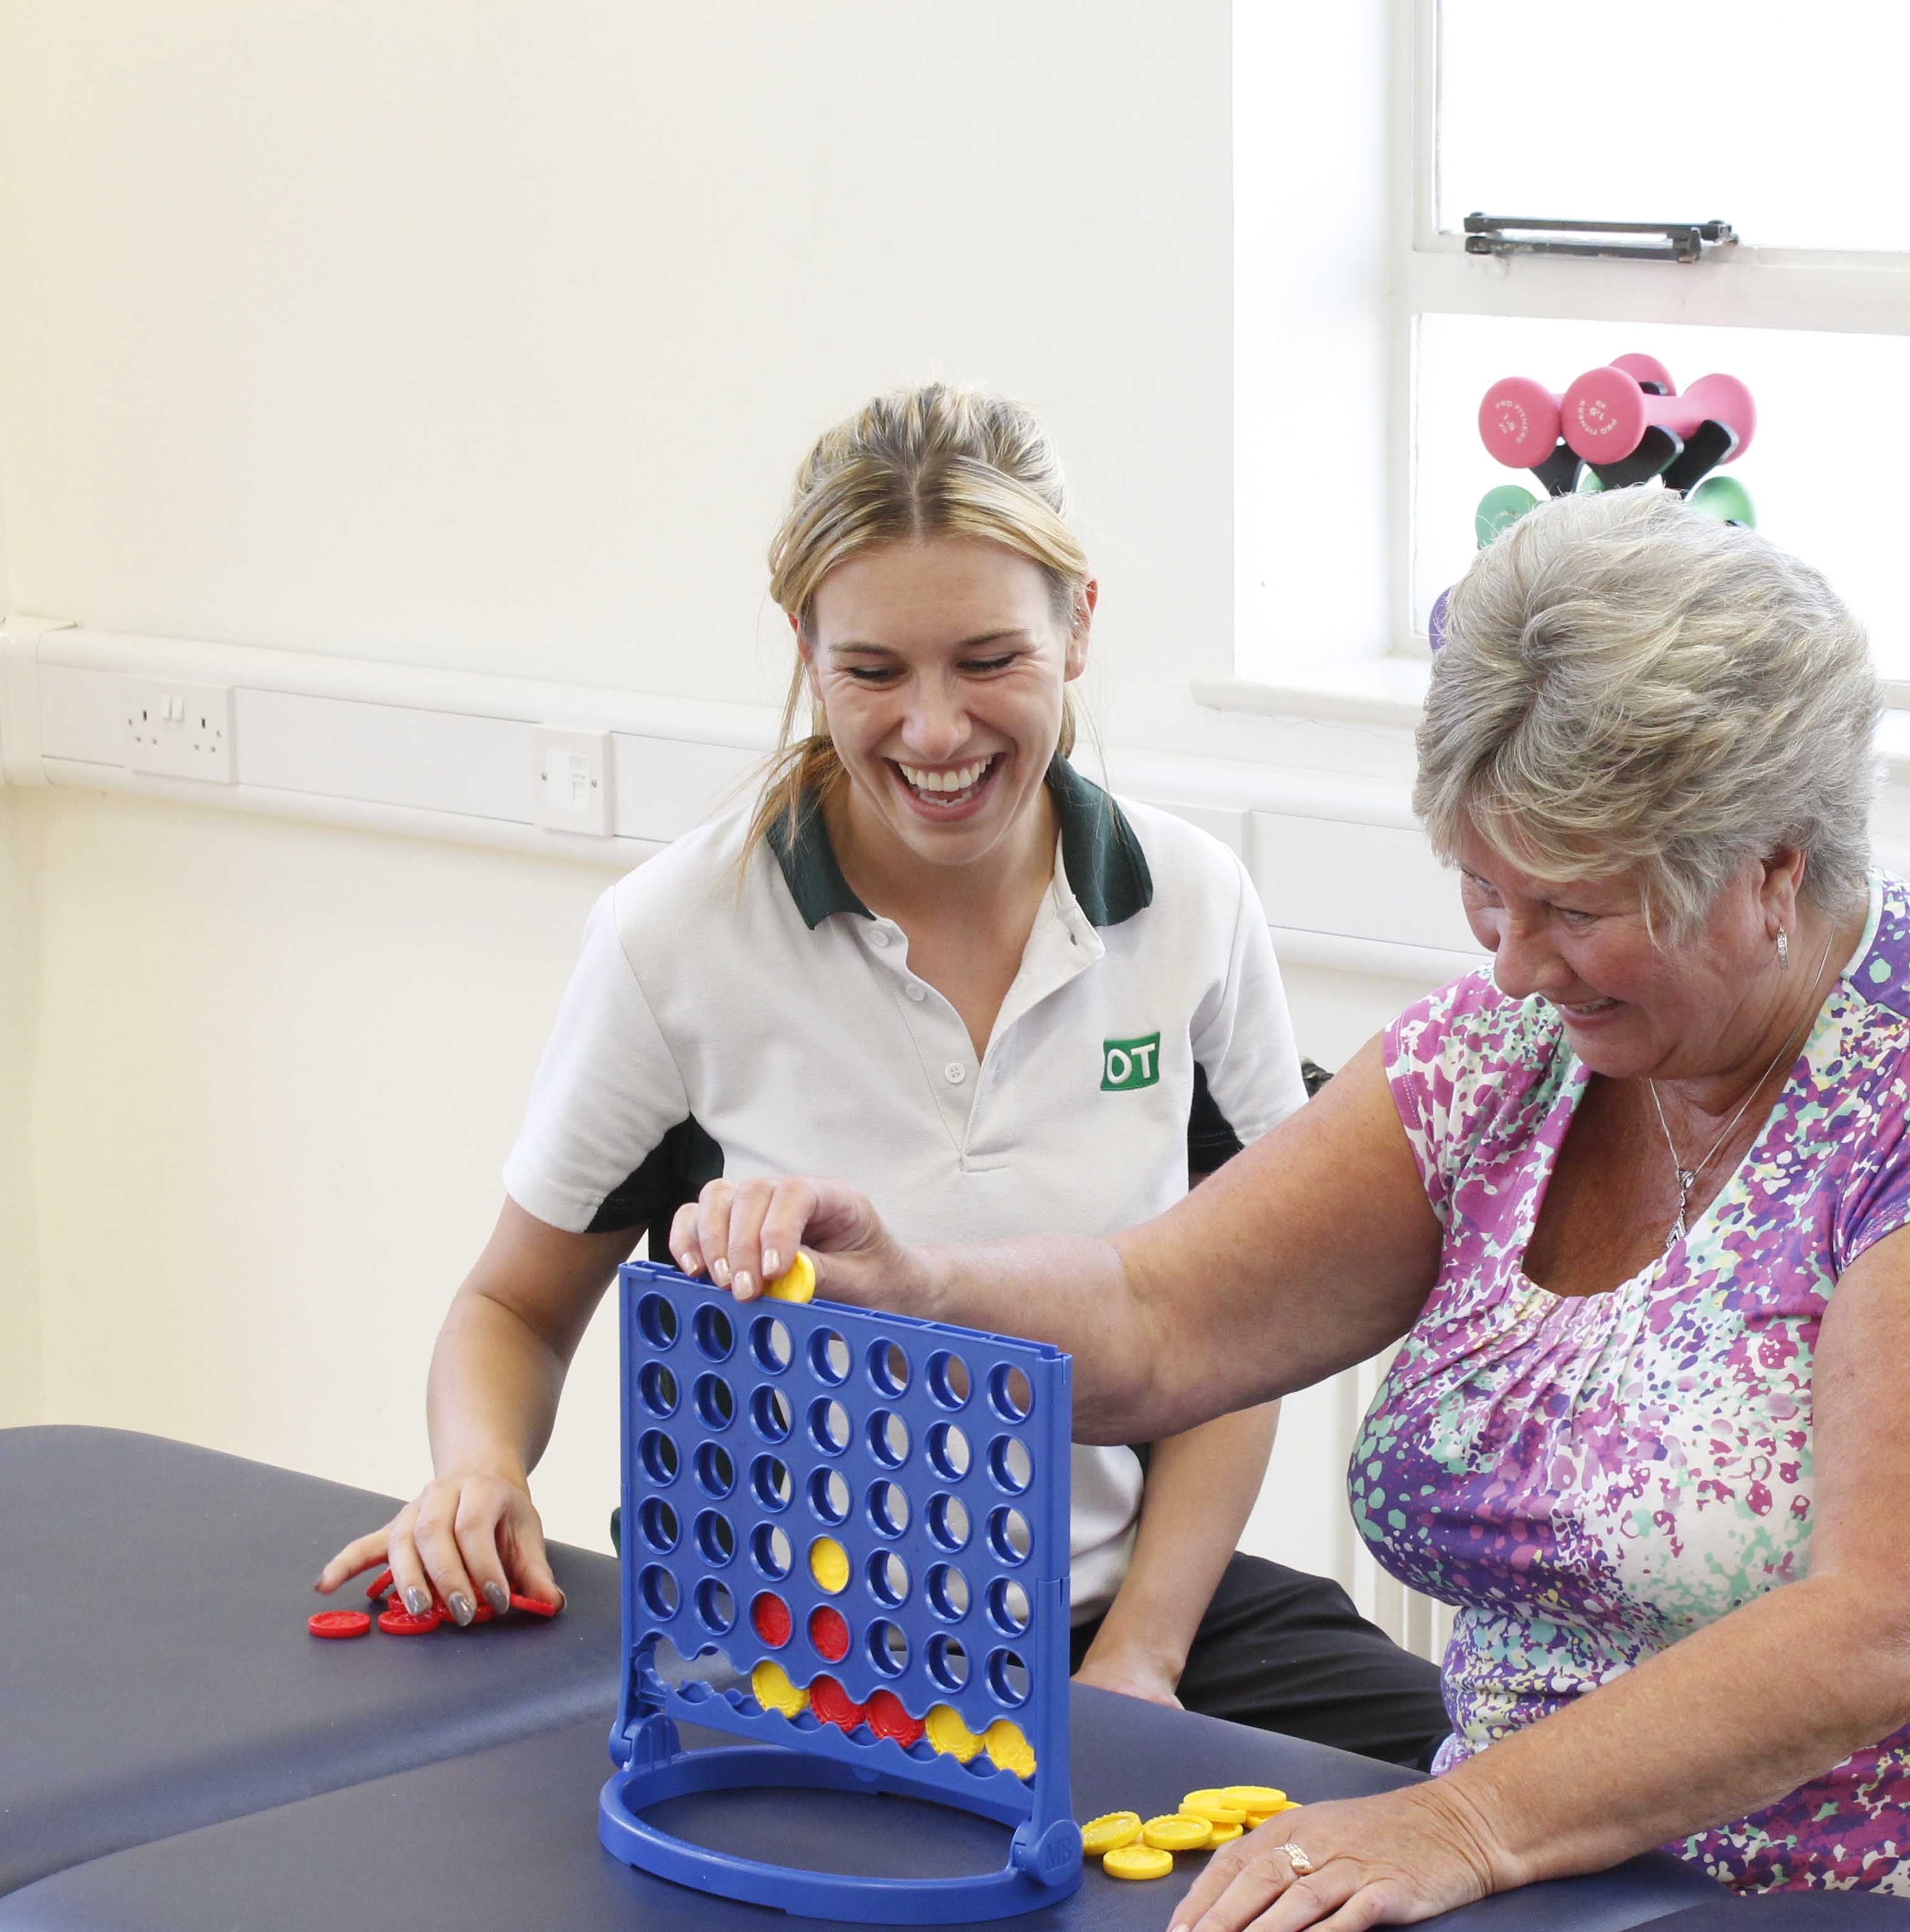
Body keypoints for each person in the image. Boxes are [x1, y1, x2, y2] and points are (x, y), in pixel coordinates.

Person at [673, 485, 1910, 1932]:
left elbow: (1888, 1627)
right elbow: (1160, 1319)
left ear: (1773, 872)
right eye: (1487, 894)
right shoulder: (1515, 1053)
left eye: (1580, 910)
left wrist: (1458, 1824)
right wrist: (916, 1282)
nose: (1521, 964)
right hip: (1560, 1904)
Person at [317, 384, 1449, 1770]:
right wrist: (477, 1469)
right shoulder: (678, 935)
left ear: (1079, 626)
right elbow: (511, 1305)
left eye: (987, 660)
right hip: (788, 1643)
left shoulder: (1191, 909)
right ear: (804, 647)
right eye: (871, 671)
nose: (933, 730)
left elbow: (1239, 1330)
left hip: (1122, 1613)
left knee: (1470, 1790)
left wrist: (1142, 1655)